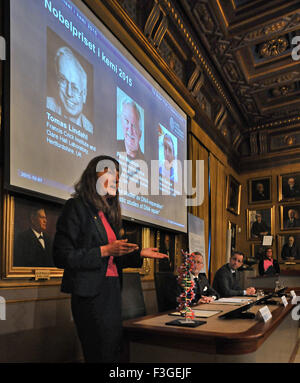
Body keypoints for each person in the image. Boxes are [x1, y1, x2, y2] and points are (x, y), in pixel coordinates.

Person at [53, 155, 167, 363]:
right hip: (90, 296)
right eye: (109, 173)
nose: (116, 179)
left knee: (113, 352)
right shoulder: (76, 207)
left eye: (117, 175)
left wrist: (138, 253)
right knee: (100, 354)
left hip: (112, 291)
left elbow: (113, 259)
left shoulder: (107, 215)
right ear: (93, 178)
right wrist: (104, 250)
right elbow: (61, 256)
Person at [47, 46, 93, 134]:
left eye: (75, 88)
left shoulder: (91, 130)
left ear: (84, 94)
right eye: (63, 81)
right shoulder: (45, 105)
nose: (69, 92)